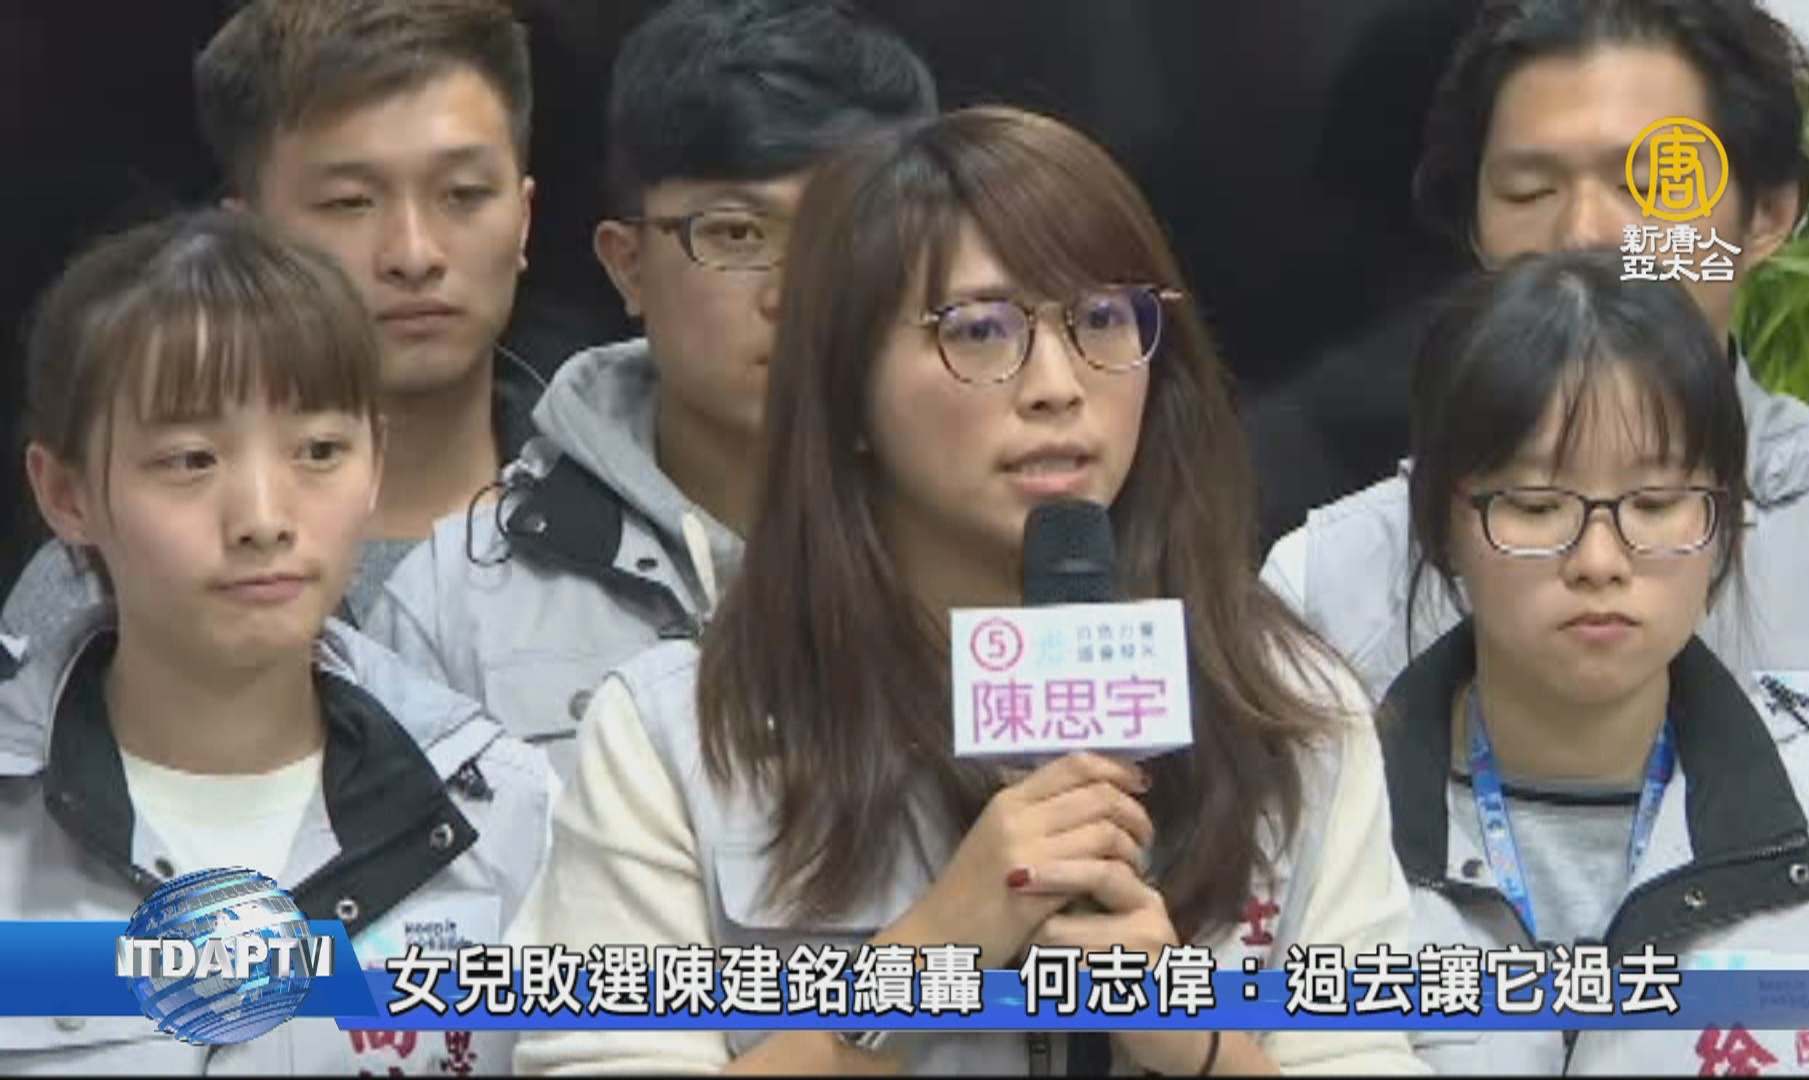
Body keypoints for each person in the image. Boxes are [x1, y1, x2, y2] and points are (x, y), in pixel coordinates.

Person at [508, 105, 1420, 1075]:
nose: (1057, 384)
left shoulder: (1287, 712)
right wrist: (921, 964)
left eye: (1101, 320)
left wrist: (1197, 1041)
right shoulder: (686, 734)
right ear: (848, 395)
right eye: (980, 331)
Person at [1262, 0, 1809, 774]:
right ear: (1474, 230)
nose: (1583, 235)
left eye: (1648, 185)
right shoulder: (1333, 590)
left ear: (1768, 216)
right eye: (1528, 191)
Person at [0, 210, 553, 1073]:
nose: (263, 519)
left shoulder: (504, 813)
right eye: (191, 459)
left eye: (320, 450)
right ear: (66, 494)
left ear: (376, 462)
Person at [1375, 250, 1809, 1074]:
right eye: (1536, 506)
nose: (1600, 560)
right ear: (1442, 527)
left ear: (1723, 526)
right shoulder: (1319, 823)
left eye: (1657, 504)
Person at [363, 0, 938, 776]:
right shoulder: (457, 605)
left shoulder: (980, 540)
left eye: (844, 237)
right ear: (627, 265)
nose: (793, 292)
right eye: (737, 233)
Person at [4, 0, 544, 638]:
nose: (414, 254)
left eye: (464, 194)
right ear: (248, 239)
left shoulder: (631, 516)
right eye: (350, 202)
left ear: (524, 219)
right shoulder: (102, 585)